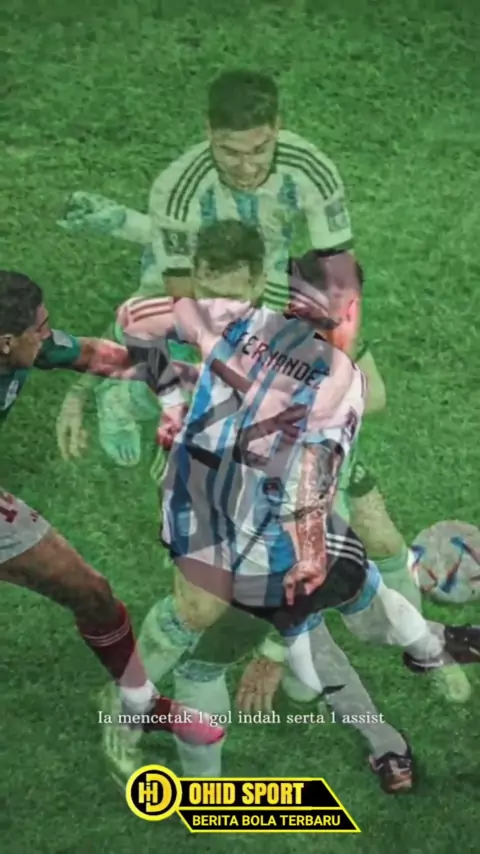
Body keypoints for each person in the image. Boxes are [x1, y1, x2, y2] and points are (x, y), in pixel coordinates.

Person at [101, 222, 480, 790]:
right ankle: (138, 715)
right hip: (240, 525)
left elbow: (136, 318)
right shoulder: (309, 366)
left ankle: (416, 670)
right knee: (223, 635)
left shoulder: (262, 336)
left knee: (327, 621)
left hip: (240, 521)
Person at [56, 70, 414, 619]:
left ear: (278, 128)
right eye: (230, 152)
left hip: (272, 282)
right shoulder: (180, 188)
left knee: (370, 397)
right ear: (208, 133)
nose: (246, 167)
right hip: (209, 283)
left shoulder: (310, 171)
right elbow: (185, 302)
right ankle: (127, 404)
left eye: (258, 149)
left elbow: (337, 278)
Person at [0, 270, 223, 751]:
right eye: (39, 329)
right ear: (6, 342)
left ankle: (140, 703)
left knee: (92, 593)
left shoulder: (24, 346)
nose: (47, 335)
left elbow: (94, 355)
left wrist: (183, 382)